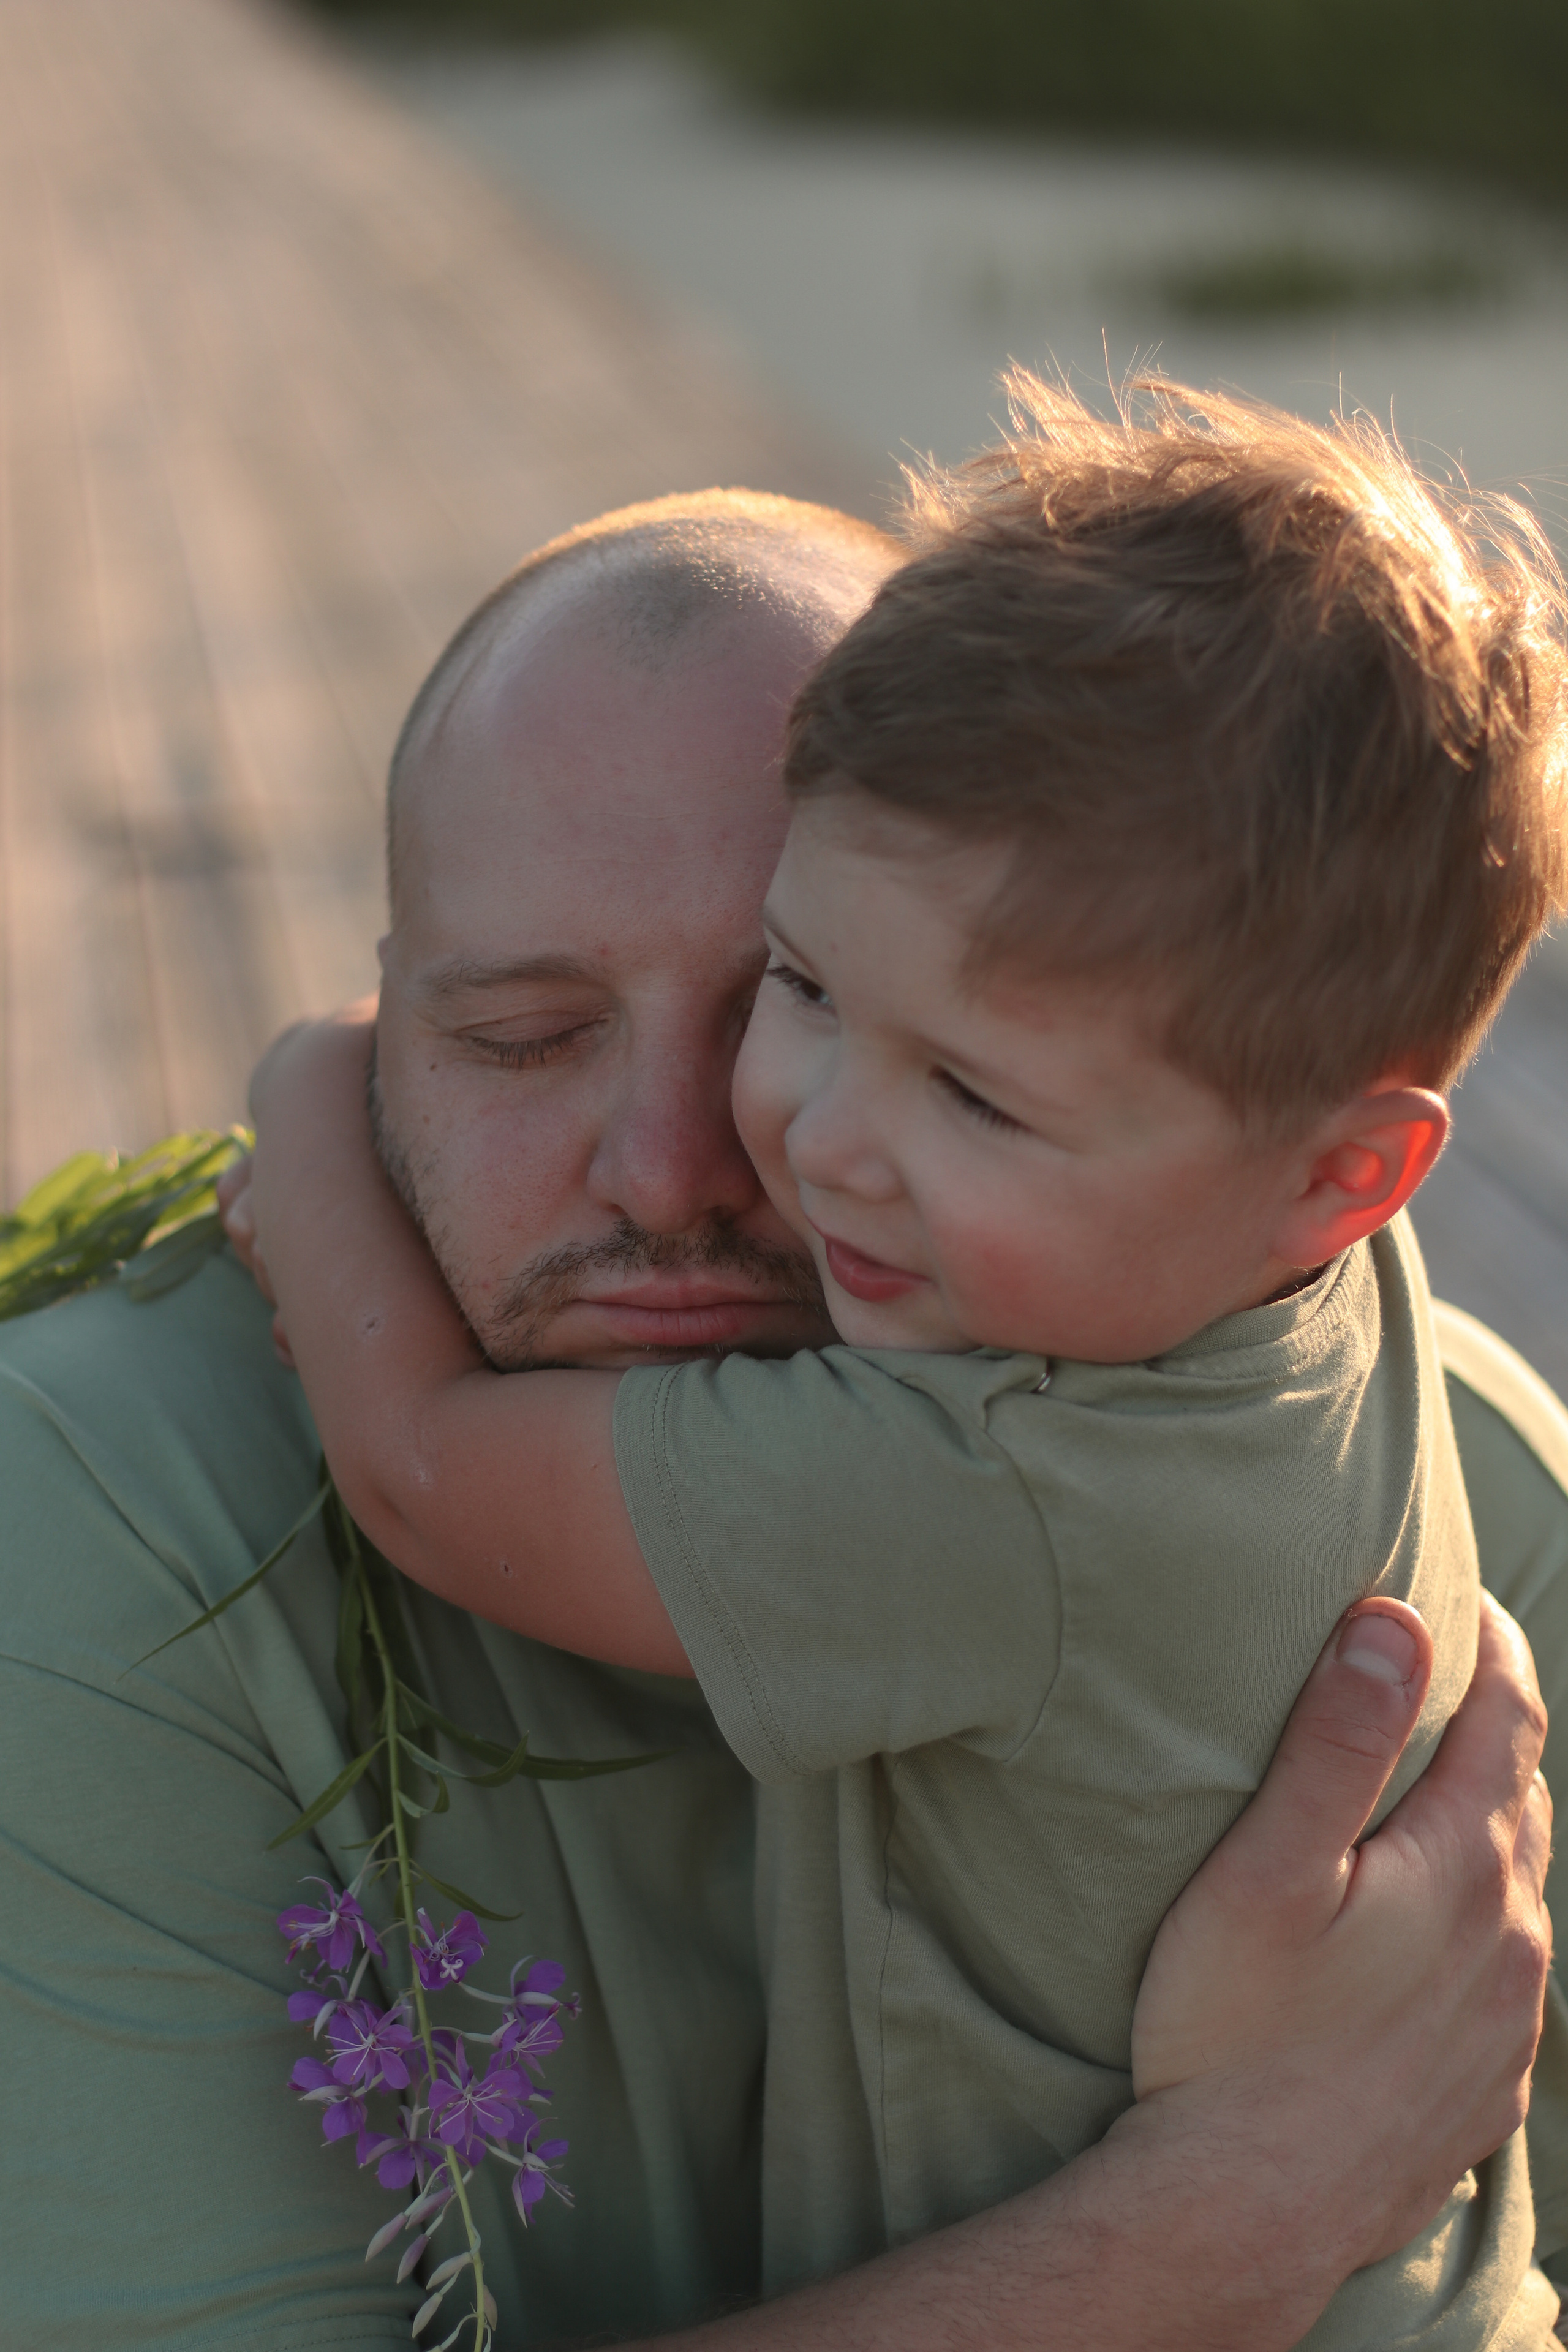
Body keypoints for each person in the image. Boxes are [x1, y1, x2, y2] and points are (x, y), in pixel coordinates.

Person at [0, 484, 1557, 2352]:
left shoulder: (1480, 1493)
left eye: (951, 1078)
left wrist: (297, 1082)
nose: (701, 1160)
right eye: (522, 1035)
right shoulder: (95, 1538)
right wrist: (1228, 2221)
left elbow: (428, 1474)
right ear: (396, 997)